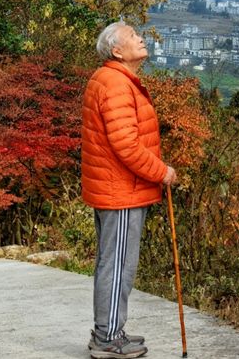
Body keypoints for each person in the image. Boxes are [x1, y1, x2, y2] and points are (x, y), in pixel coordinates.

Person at [81, 22, 177, 359]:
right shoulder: (117, 85)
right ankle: (107, 338)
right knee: (118, 264)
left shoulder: (112, 80)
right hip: (121, 191)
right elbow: (126, 146)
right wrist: (161, 172)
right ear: (117, 50)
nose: (141, 38)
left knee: (114, 262)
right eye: (133, 36)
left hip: (117, 188)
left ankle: (111, 330)